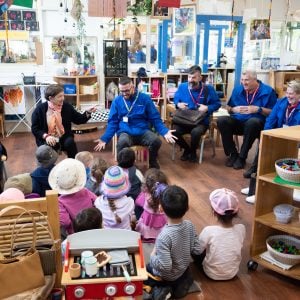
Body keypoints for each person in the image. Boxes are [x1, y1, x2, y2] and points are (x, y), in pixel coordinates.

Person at [94, 76, 177, 169]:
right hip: (125, 132)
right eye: (122, 91)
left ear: (133, 87)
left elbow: (155, 118)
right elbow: (113, 122)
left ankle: (152, 161)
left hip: (142, 131)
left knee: (156, 141)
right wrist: (105, 138)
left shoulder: (144, 98)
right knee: (122, 143)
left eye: (127, 90)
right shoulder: (117, 101)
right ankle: (122, 167)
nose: (124, 94)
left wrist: (164, 131)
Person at [242, 80, 300, 204]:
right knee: (263, 149)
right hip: (279, 136)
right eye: (288, 93)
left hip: (296, 141)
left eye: (293, 94)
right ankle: (255, 188)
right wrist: (267, 136)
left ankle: (284, 190)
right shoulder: (281, 102)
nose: (289, 96)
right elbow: (270, 120)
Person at [144, 185, 202, 299]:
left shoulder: (164, 237)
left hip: (167, 276)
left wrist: (152, 256)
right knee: (181, 273)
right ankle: (182, 283)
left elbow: (165, 266)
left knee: (146, 268)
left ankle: (163, 289)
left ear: (161, 208)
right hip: (182, 269)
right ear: (187, 208)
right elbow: (197, 249)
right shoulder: (190, 225)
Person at [217, 70, 277, 170]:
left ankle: (242, 157)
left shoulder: (268, 91)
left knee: (252, 122)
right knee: (222, 120)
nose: (244, 83)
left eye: (247, 80)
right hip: (239, 122)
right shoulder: (237, 89)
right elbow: (227, 107)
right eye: (242, 80)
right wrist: (232, 109)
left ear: (255, 80)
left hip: (257, 125)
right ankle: (233, 154)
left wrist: (259, 109)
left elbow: (274, 112)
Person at [31, 84, 96, 158]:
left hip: (64, 137)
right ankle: (49, 168)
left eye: (63, 95)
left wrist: (88, 112)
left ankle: (73, 165)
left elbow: (78, 119)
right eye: (59, 96)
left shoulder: (66, 106)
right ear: (51, 98)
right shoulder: (40, 109)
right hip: (47, 138)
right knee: (46, 152)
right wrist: (46, 136)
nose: (63, 98)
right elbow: (35, 128)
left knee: (70, 143)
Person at [194, 188, 245, 280]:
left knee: (195, 249)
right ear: (236, 212)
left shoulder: (209, 231)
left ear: (214, 212)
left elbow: (197, 250)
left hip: (211, 273)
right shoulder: (241, 229)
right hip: (232, 273)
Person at [173, 65, 221, 162]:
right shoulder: (182, 86)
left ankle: (193, 152)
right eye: (189, 77)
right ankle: (187, 150)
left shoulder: (209, 89)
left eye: (194, 77)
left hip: (201, 121)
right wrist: (178, 104)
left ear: (200, 78)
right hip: (185, 119)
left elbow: (217, 104)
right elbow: (176, 99)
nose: (191, 80)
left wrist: (208, 108)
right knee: (174, 132)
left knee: (196, 133)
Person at [48, 158, 97, 237]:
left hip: (75, 233)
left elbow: (65, 222)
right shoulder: (86, 191)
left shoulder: (60, 201)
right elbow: (97, 202)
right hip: (92, 227)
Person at [94, 165, 135, 230]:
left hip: (106, 238)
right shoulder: (130, 202)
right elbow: (132, 219)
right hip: (126, 238)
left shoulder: (98, 202)